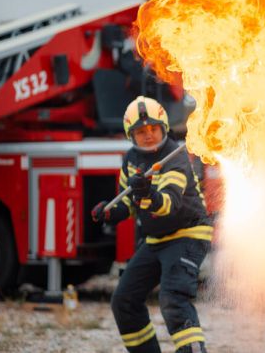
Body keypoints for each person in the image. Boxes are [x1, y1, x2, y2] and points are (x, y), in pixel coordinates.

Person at [91, 96, 212, 353]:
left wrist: (148, 194)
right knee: (124, 301)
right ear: (130, 135)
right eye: (141, 131)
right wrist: (109, 212)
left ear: (163, 127)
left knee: (173, 298)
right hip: (156, 240)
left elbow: (168, 203)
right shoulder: (131, 160)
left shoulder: (173, 157)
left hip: (188, 234)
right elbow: (127, 203)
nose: (148, 135)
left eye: (153, 129)